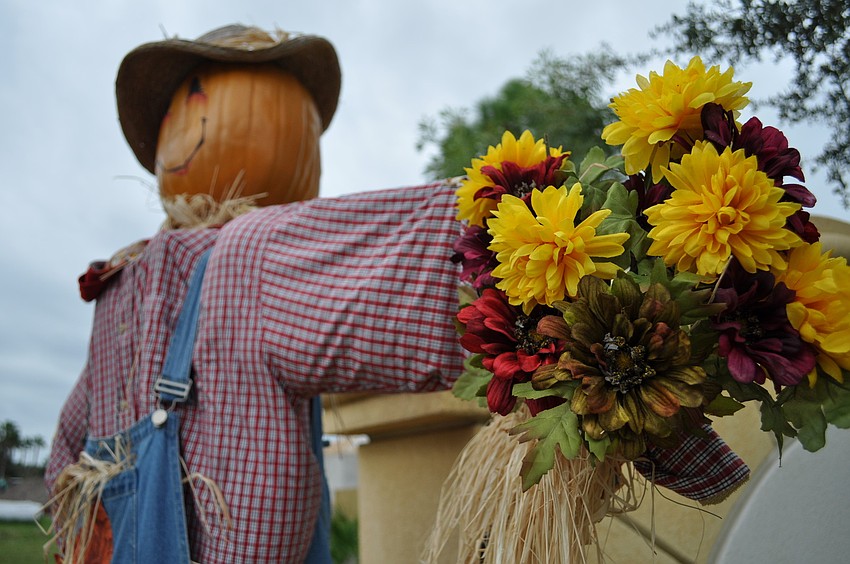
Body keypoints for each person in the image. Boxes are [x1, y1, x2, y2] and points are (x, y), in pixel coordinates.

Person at [45, 24, 465, 562]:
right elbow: (449, 266)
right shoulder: (253, 253)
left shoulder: (120, 286)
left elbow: (66, 461)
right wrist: (548, 244)